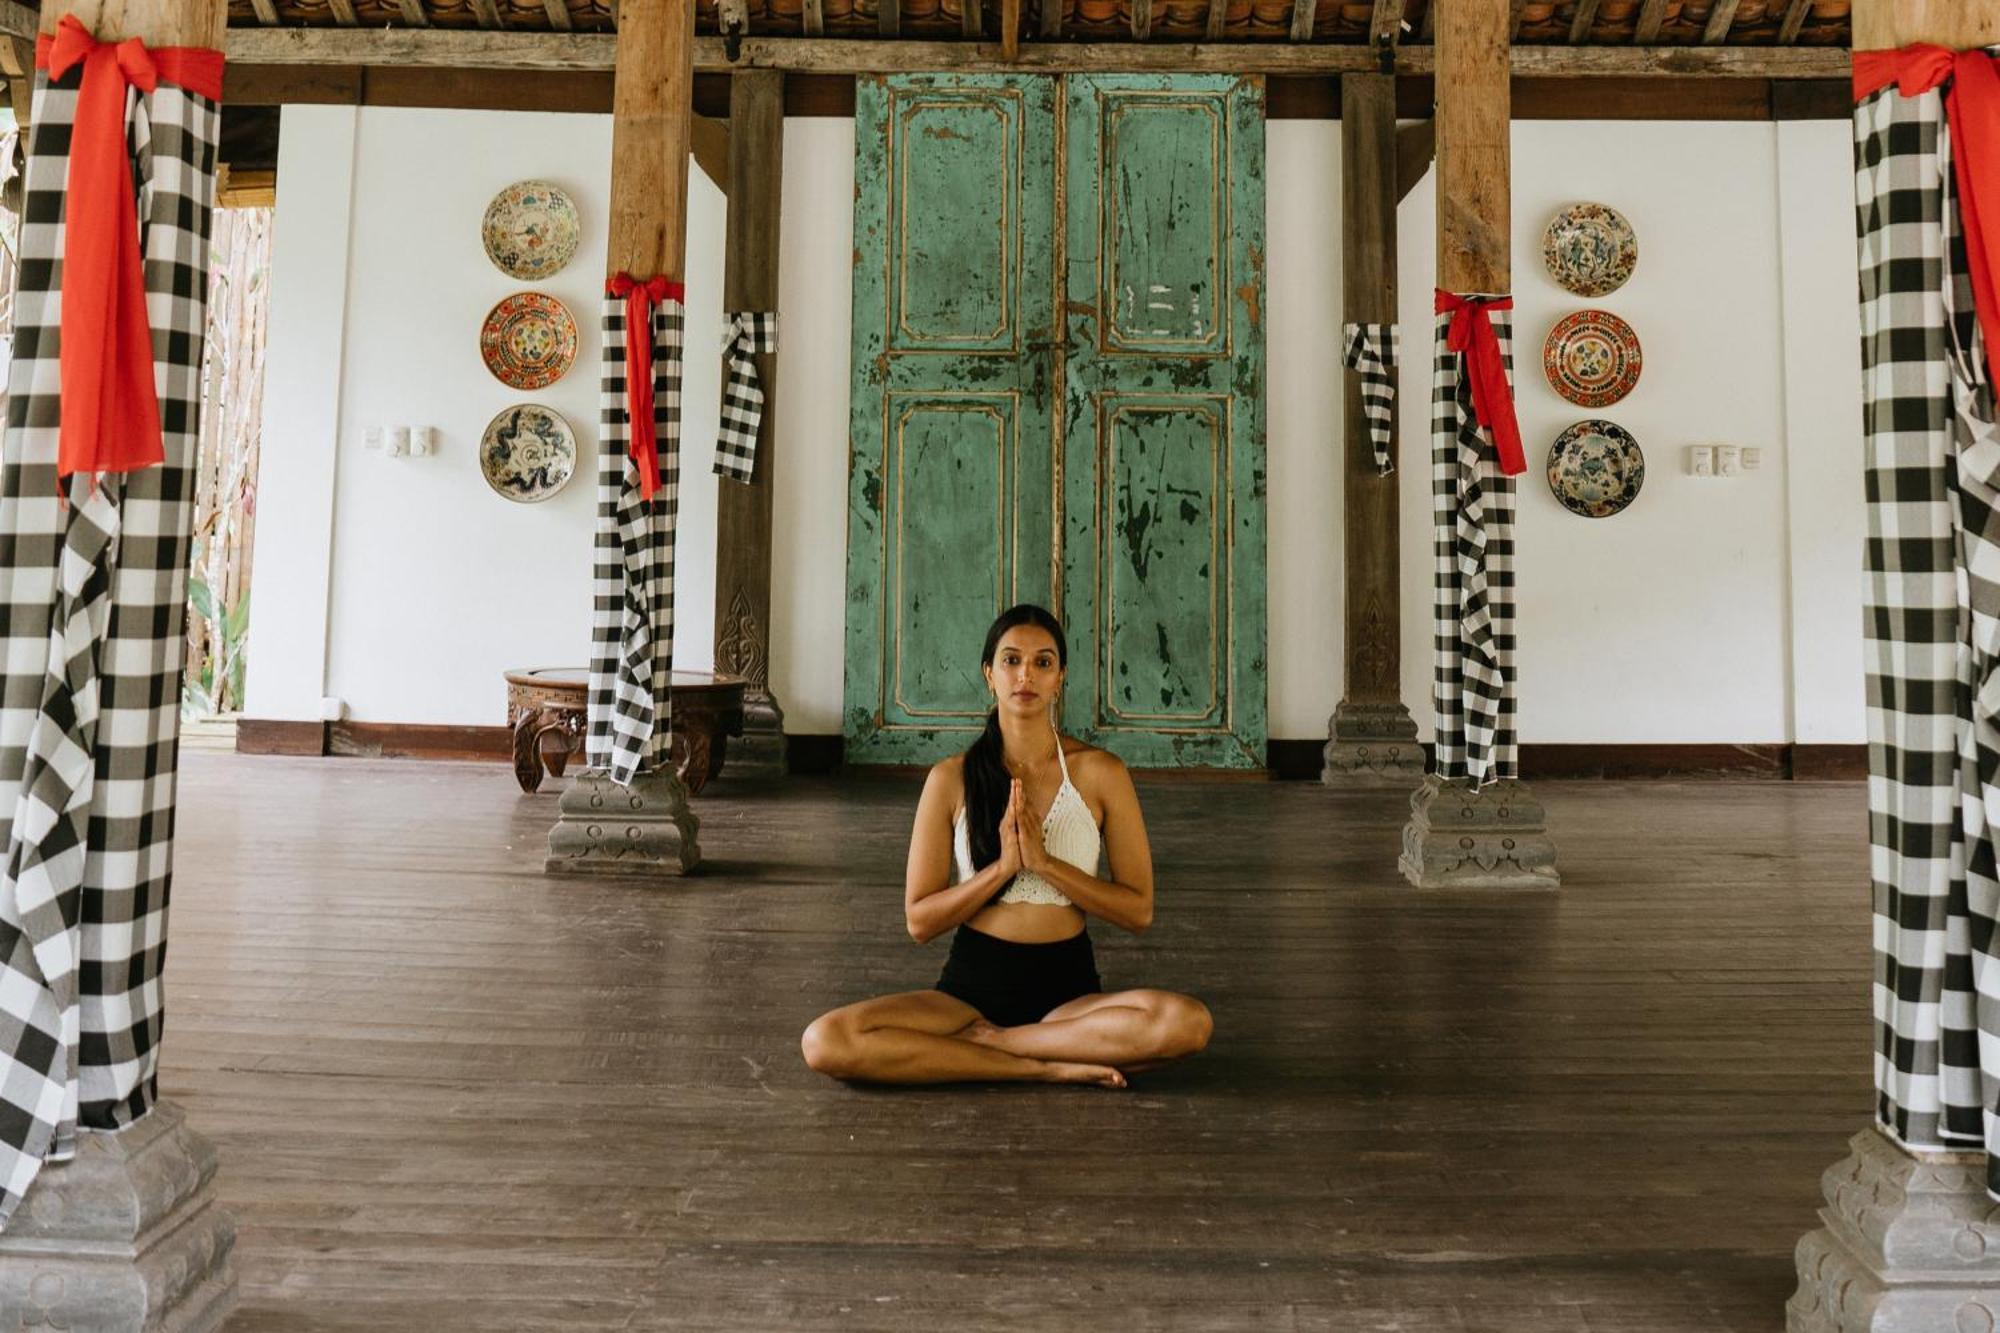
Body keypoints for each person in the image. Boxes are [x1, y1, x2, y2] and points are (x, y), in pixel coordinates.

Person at [801, 604, 1212, 1087]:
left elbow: (1138, 911)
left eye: (1043, 662)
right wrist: (1002, 869)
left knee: (1187, 1022)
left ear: (1060, 678)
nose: (1026, 675)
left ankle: (991, 1044)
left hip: (1070, 996)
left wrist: (1044, 864)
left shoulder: (1103, 773)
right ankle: (1044, 1066)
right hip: (969, 992)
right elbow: (920, 920)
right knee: (826, 1039)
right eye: (1011, 660)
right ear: (989, 675)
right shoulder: (949, 779)